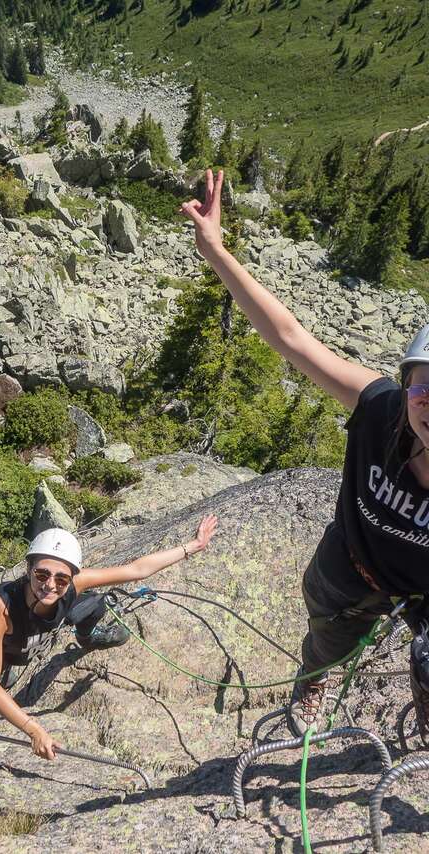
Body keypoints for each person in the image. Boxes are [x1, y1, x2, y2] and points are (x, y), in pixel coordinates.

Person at [182, 167, 429, 739]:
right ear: (405, 387)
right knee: (326, 638)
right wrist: (217, 251)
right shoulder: (379, 410)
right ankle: (314, 680)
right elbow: (292, 338)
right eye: (423, 387)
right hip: (353, 568)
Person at [0, 516, 217, 759]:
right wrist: (34, 729)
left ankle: (88, 636)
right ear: (28, 570)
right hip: (4, 642)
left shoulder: (74, 585)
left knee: (94, 603)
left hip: (30, 637)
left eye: (61, 578)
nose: (50, 584)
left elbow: (137, 569)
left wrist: (193, 546)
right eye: (42, 574)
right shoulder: (0, 607)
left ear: (71, 577)